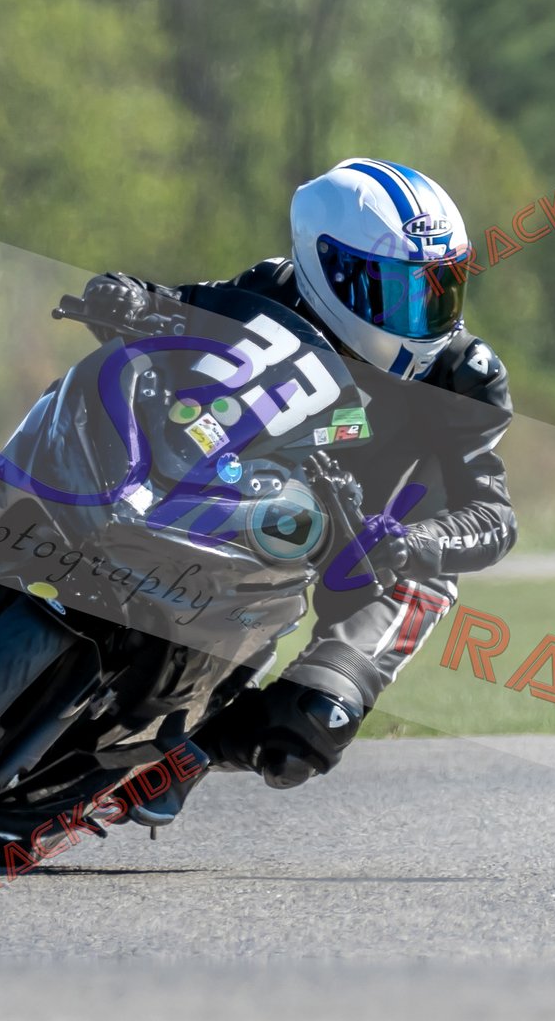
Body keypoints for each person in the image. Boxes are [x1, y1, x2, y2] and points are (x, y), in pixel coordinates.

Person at [74, 158, 517, 824]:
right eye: (395, 290)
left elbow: (494, 517)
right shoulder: (272, 290)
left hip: (379, 550)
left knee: (307, 730)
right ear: (326, 267)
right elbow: (176, 306)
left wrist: (414, 540)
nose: (421, 312)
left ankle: (192, 748)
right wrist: (124, 295)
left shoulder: (464, 374)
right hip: (239, 499)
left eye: (437, 288)